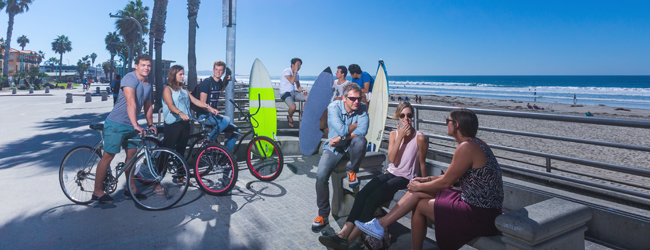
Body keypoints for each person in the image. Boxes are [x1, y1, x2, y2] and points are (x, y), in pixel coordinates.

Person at [355, 108, 504, 250]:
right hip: (479, 205)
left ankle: (383, 227)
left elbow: (446, 182)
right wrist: (425, 180)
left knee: (419, 204)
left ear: (456, 125)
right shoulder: (478, 143)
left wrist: (418, 186)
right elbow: (450, 178)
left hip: (479, 214)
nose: (446, 123)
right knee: (417, 193)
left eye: (448, 121)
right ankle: (380, 225)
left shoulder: (466, 148)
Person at [318, 101, 429, 249]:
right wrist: (399, 137)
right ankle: (343, 234)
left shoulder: (419, 138)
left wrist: (426, 185)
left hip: (405, 178)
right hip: (390, 172)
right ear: (398, 117)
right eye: (402, 115)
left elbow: (422, 163)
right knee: (362, 195)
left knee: (372, 199)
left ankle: (348, 241)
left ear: (412, 116)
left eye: (409, 115)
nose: (406, 119)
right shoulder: (394, 134)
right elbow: (392, 159)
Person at [91, 54, 157, 203]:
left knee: (131, 159)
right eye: (143, 65)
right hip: (116, 124)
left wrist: (151, 124)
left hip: (132, 127)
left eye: (148, 65)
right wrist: (135, 124)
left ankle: (130, 189)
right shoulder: (129, 78)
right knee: (108, 156)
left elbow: (148, 106)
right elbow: (130, 103)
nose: (146, 68)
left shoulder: (147, 84)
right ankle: (97, 191)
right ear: (136, 66)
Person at [313, 84, 369, 230]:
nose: (356, 102)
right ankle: (323, 215)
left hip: (352, 146)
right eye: (352, 99)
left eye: (358, 98)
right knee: (320, 176)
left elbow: (363, 130)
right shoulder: (333, 107)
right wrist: (354, 125)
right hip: (335, 148)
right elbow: (342, 129)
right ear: (344, 98)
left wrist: (341, 137)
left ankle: (352, 170)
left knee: (361, 140)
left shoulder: (362, 107)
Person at [162, 65, 219, 183]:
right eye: (180, 74)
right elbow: (170, 105)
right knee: (167, 151)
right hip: (173, 124)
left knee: (181, 150)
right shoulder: (168, 89)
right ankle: (157, 179)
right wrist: (180, 113)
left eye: (183, 74)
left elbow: (194, 100)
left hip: (185, 123)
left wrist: (209, 107)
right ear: (174, 75)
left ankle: (180, 176)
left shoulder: (183, 88)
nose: (183, 76)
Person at [198, 60, 240, 151]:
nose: (218, 72)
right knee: (226, 119)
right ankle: (209, 141)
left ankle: (225, 156)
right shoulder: (207, 82)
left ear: (223, 72)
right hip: (204, 115)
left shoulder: (219, 82)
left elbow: (222, 87)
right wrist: (210, 109)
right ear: (213, 70)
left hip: (213, 115)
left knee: (237, 131)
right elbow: (202, 103)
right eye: (216, 69)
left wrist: (226, 79)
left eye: (220, 70)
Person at [321, 66, 352, 134]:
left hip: (339, 106)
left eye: (337, 72)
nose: (336, 73)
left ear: (342, 74)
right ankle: (328, 132)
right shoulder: (334, 82)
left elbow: (349, 97)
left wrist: (341, 98)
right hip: (330, 104)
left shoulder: (347, 84)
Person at [280, 58, 308, 128]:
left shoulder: (296, 74)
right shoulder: (287, 71)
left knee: (309, 98)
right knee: (293, 107)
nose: (299, 67)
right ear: (292, 65)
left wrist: (302, 90)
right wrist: (295, 71)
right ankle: (289, 116)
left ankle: (303, 115)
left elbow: (298, 86)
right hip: (285, 93)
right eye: (298, 65)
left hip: (293, 92)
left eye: (300, 65)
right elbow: (292, 81)